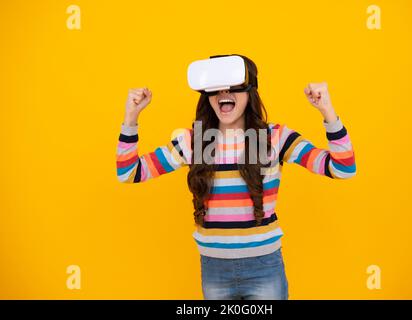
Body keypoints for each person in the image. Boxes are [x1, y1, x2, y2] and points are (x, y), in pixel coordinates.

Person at [116, 54, 356, 299]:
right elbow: (129, 173)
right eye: (215, 89)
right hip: (214, 270)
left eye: (232, 86)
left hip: (265, 268)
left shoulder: (276, 137)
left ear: (250, 91)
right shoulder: (192, 141)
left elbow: (343, 168)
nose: (223, 94)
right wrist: (130, 118)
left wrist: (327, 111)